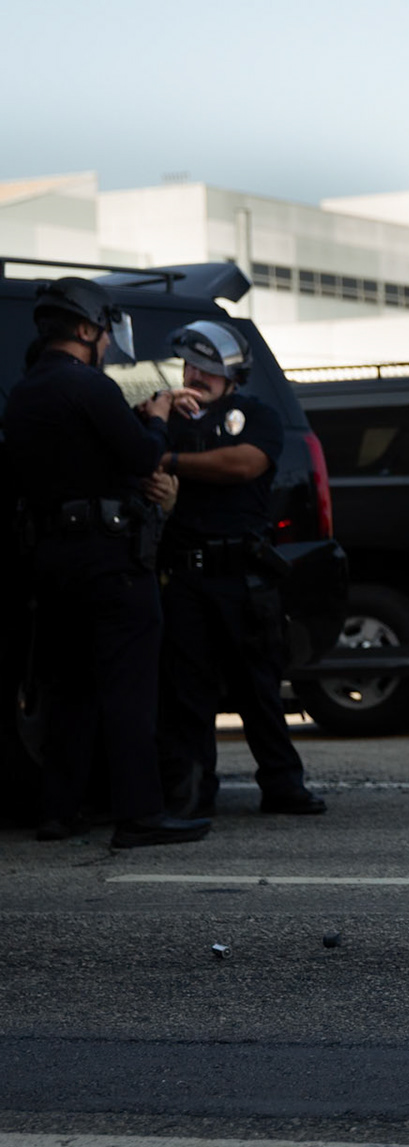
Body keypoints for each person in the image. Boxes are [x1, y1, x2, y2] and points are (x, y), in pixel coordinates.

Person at [3, 278, 208, 848]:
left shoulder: (25, 393)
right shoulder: (89, 387)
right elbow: (143, 455)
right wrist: (159, 415)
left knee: (69, 690)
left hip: (51, 558)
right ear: (89, 330)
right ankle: (140, 814)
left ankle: (58, 811)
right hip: (110, 559)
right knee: (128, 689)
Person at [153, 319, 322, 819]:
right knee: (187, 691)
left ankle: (283, 785)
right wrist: (158, 414)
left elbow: (242, 465)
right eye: (190, 366)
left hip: (240, 575)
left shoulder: (255, 415)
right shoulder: (168, 418)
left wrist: (169, 459)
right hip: (185, 575)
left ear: (232, 375)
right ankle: (192, 792)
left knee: (259, 687)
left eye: (207, 368)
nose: (195, 376)